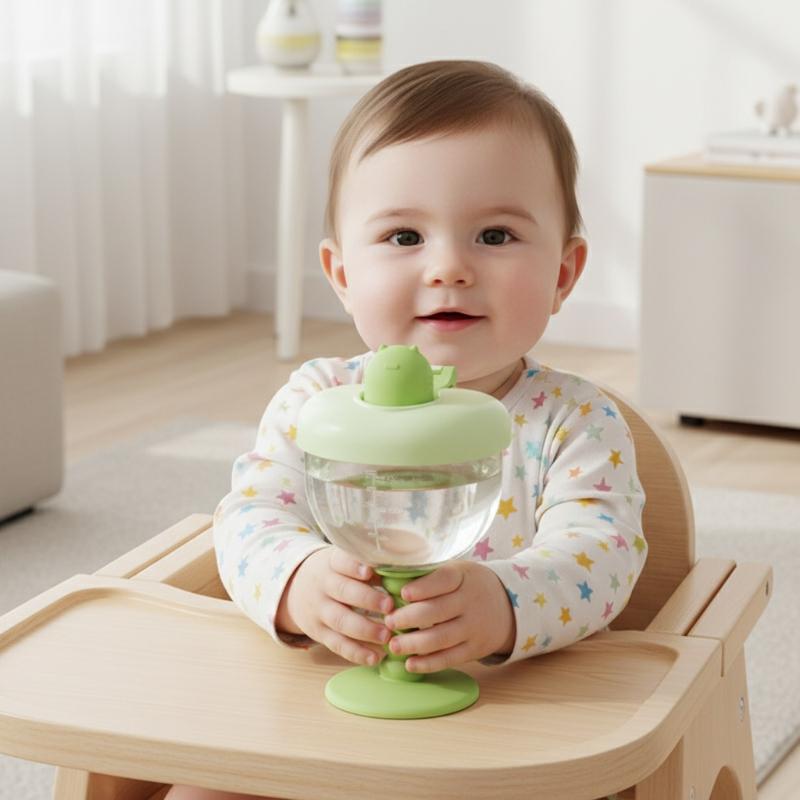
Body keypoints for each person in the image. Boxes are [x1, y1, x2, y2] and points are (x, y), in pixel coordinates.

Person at [165, 59, 647, 800]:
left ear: (562, 274)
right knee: (200, 785)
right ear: (341, 275)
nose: (449, 267)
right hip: (324, 719)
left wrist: (503, 604)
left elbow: (603, 554)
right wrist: (299, 583)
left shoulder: (576, 422)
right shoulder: (317, 402)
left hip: (509, 736)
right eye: (403, 236)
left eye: (494, 234)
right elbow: (249, 518)